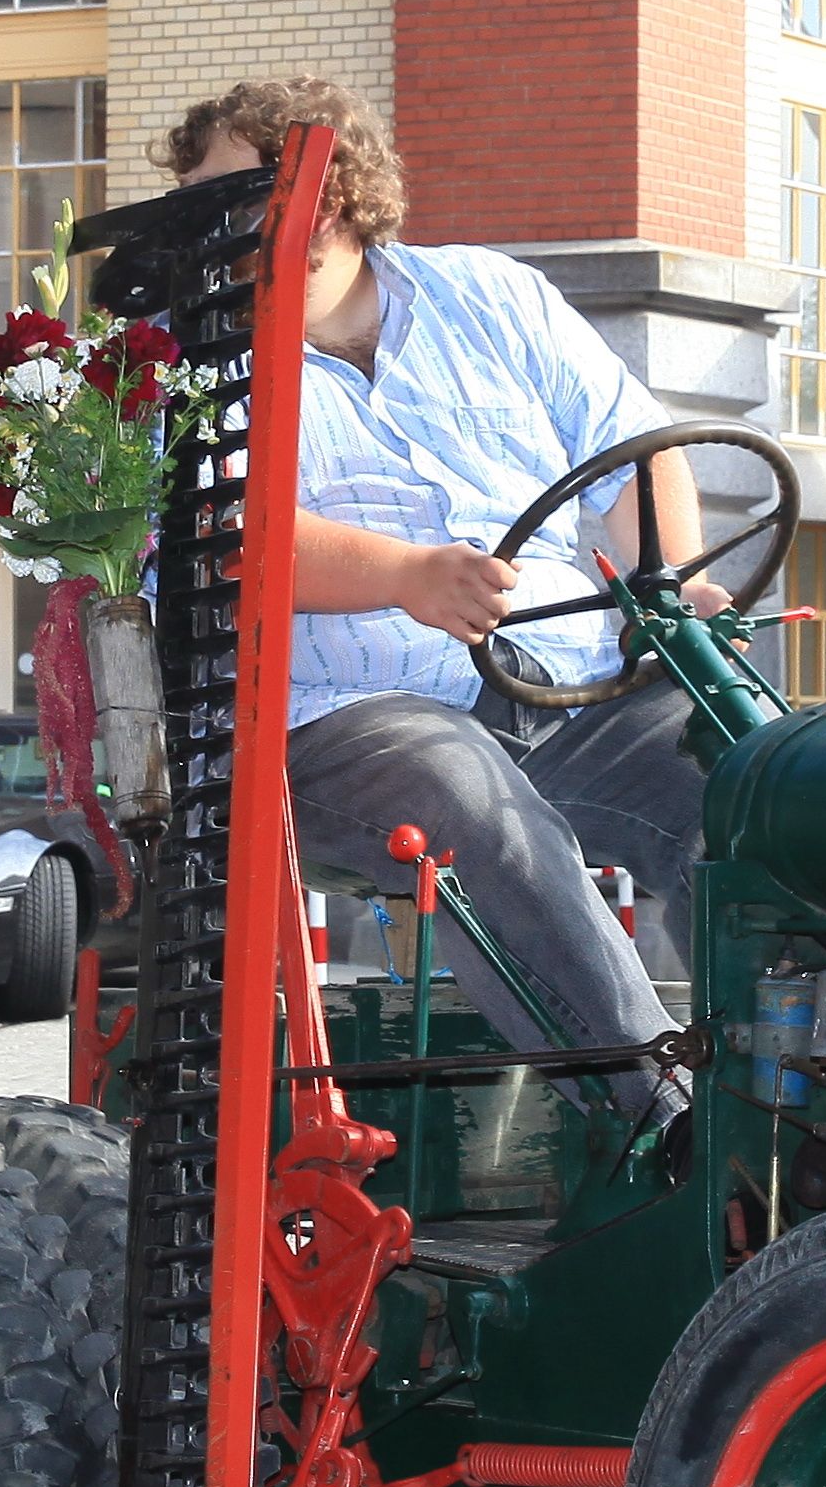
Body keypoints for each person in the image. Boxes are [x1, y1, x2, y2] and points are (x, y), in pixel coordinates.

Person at [163, 77, 720, 1126]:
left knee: (743, 775)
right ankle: (664, 1122)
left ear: (329, 195)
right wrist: (403, 575)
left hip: (568, 677)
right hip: (340, 720)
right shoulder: (194, 358)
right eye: (201, 200)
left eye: (235, 195)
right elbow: (215, 538)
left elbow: (635, 457)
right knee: (469, 797)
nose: (211, 225)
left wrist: (675, 588)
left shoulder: (490, 296)